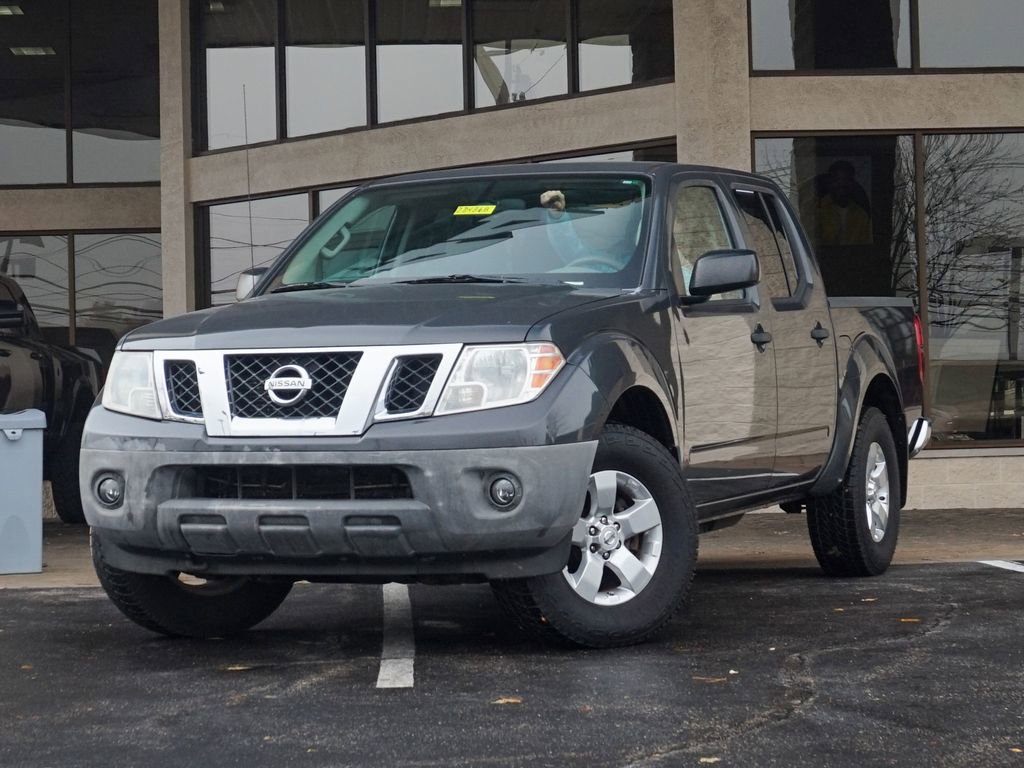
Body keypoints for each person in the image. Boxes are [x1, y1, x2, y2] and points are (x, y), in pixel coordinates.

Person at [817, 160, 872, 246]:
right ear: (830, 183)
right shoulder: (817, 210)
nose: (842, 184)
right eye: (838, 180)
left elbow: (867, 247)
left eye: (846, 180)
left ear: (852, 183)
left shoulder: (862, 215)